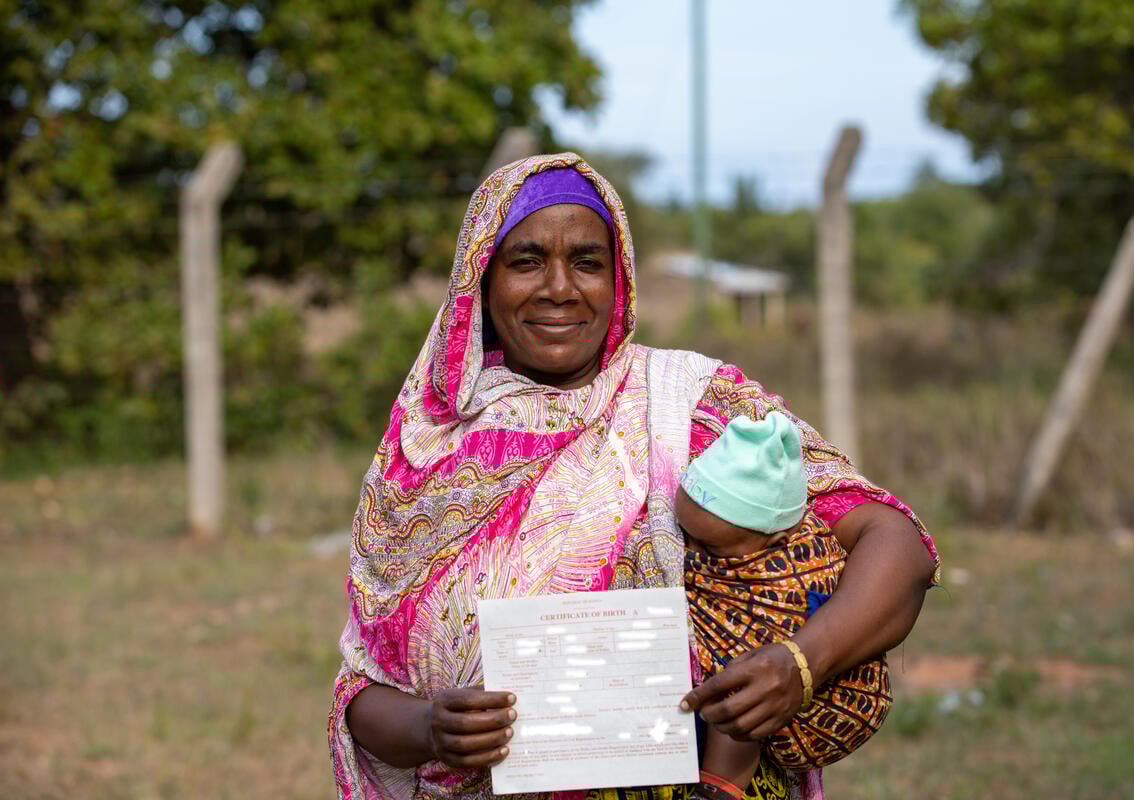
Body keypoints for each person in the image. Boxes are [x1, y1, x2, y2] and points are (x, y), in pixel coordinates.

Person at [328, 154, 940, 800]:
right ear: (481, 279)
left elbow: (895, 542)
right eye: (527, 260)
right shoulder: (424, 453)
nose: (559, 288)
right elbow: (363, 691)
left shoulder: (689, 403)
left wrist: (801, 663)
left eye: (587, 262)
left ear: (618, 281)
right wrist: (430, 727)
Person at [678, 412, 892, 800]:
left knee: (741, 680)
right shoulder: (748, 539)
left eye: (709, 549)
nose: (691, 556)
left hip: (819, 713)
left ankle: (719, 789)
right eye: (684, 537)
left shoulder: (784, 583)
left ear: (774, 539)